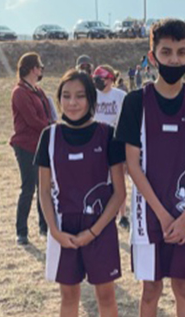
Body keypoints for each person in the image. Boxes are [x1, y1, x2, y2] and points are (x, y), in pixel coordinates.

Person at [115, 19, 185, 317]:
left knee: (184, 288)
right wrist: (161, 214)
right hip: (148, 213)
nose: (174, 59)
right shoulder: (136, 102)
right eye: (167, 52)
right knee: (150, 292)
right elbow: (132, 165)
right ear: (152, 56)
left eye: (181, 52)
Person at [37, 69, 128, 317]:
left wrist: (93, 231)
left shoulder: (107, 135)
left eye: (79, 96)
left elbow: (119, 193)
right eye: (66, 96)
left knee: (106, 296)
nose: (72, 102)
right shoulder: (49, 136)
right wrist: (54, 231)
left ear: (91, 99)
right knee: (68, 296)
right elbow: (43, 190)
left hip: (100, 226)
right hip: (63, 227)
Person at [11, 53, 55, 245]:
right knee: (28, 188)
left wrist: (53, 124)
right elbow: (31, 120)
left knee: (43, 187)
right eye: (40, 66)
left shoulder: (38, 91)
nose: (41, 69)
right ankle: (22, 231)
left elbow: (48, 112)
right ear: (32, 68)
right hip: (26, 145)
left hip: (41, 143)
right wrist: (50, 126)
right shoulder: (19, 92)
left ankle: (44, 227)